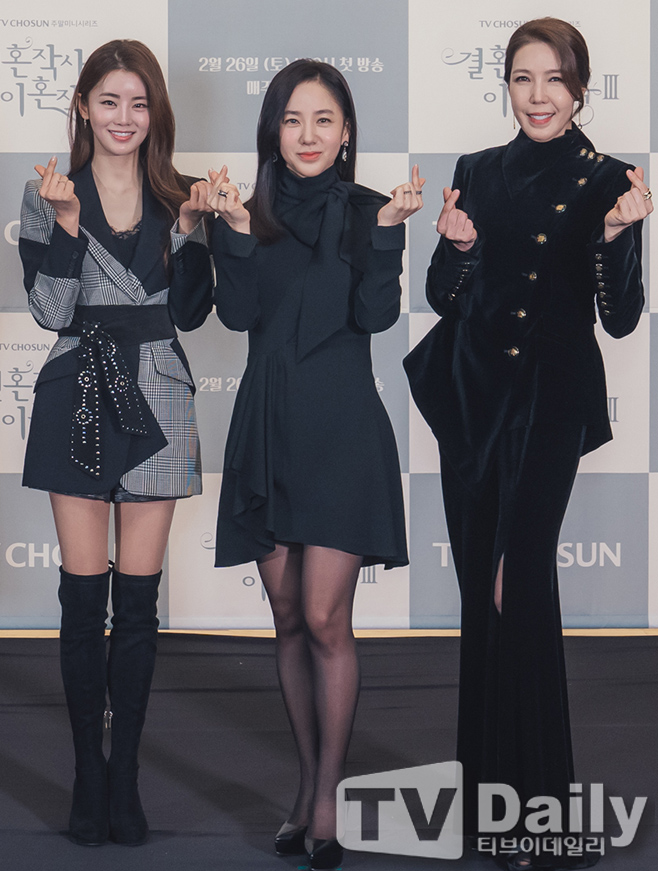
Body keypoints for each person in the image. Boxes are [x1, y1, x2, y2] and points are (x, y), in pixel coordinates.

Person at [404, 18, 651, 871]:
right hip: (472, 395)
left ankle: (539, 806)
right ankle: (489, 802)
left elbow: (621, 317)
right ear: (506, 85)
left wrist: (618, 237)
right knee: (484, 591)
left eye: (553, 80)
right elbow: (443, 295)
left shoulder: (611, 180)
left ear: (580, 88)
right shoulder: (476, 169)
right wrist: (457, 247)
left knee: (521, 580)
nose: (537, 96)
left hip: (549, 399)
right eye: (522, 78)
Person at [208, 59, 422, 871]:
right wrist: (231, 233)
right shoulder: (247, 211)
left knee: (328, 617)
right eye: (293, 120)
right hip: (266, 428)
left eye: (323, 119)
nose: (308, 135)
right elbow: (237, 314)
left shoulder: (369, 210)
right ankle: (305, 786)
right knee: (288, 617)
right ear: (274, 131)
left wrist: (391, 231)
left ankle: (328, 795)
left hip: (341, 432)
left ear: (346, 132)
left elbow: (375, 315)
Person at [18, 40, 213, 847]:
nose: (124, 117)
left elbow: (192, 312)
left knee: (137, 604)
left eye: (138, 102)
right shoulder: (49, 192)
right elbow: (50, 314)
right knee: (81, 598)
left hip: (158, 390)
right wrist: (67, 227)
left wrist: (194, 232)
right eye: (109, 101)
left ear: (154, 110)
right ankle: (85, 774)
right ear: (83, 106)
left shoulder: (180, 194)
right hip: (77, 390)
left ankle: (124, 772)